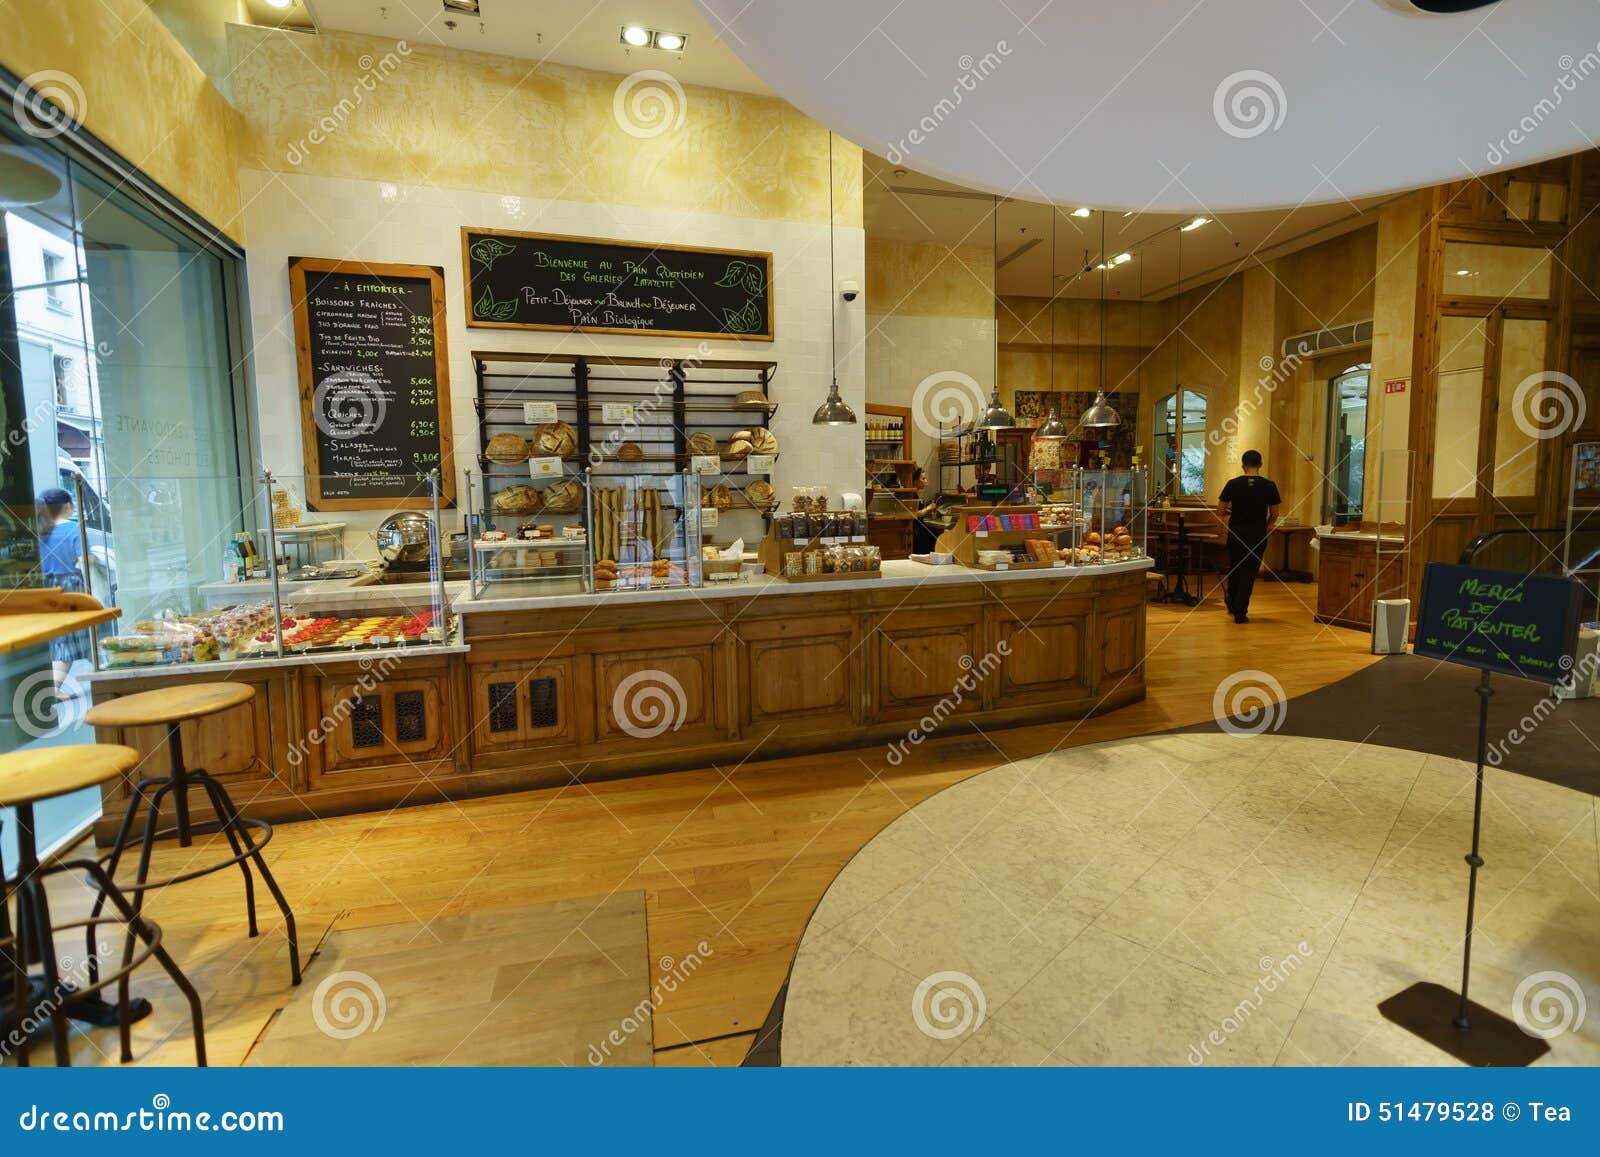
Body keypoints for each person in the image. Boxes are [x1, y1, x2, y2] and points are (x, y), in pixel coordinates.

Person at [1216, 450, 1280, 624]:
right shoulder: (1269, 486)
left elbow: (1220, 511)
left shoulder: (1233, 484)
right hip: (1257, 535)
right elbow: (1275, 514)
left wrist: (1233, 513)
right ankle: (1240, 611)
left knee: (1235, 568)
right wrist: (1266, 526)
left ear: (1243, 465)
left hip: (1236, 533)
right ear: (1260, 464)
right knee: (1249, 572)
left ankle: (1231, 601)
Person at [38, 487, 89, 690]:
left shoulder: (41, 530)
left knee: (63, 637)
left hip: (48, 588)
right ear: (68, 506)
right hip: (70, 587)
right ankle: (53, 689)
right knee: (71, 638)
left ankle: (103, 673)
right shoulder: (73, 529)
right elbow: (85, 558)